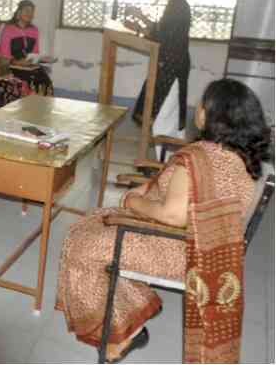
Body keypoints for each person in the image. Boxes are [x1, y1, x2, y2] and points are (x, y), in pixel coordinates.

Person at [55, 79, 271, 363]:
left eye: (203, 102)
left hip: (180, 250)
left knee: (83, 245)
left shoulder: (200, 158)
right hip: (213, 252)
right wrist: (150, 190)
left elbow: (173, 216)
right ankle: (135, 308)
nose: (199, 107)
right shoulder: (239, 160)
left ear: (210, 114)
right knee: (93, 224)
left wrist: (133, 202)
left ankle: (119, 338)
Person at [124, 0, 192, 158]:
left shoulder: (179, 7)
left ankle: (166, 167)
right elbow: (162, 33)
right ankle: (166, 165)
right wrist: (139, 22)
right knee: (163, 116)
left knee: (163, 118)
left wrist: (139, 22)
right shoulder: (175, 5)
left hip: (171, 70)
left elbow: (161, 37)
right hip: (167, 66)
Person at [0, 11, 53, 97]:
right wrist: (8, 65)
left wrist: (12, 63)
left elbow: (1, 54)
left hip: (0, 72)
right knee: (16, 87)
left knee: (38, 79)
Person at [0, 0, 54, 96]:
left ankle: (41, 109)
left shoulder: (34, 30)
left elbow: (35, 52)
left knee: (45, 81)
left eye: (32, 12)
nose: (30, 14)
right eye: (27, 11)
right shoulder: (8, 29)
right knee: (26, 84)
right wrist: (17, 62)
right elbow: (4, 56)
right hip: (12, 66)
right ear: (19, 12)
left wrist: (41, 59)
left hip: (29, 66)